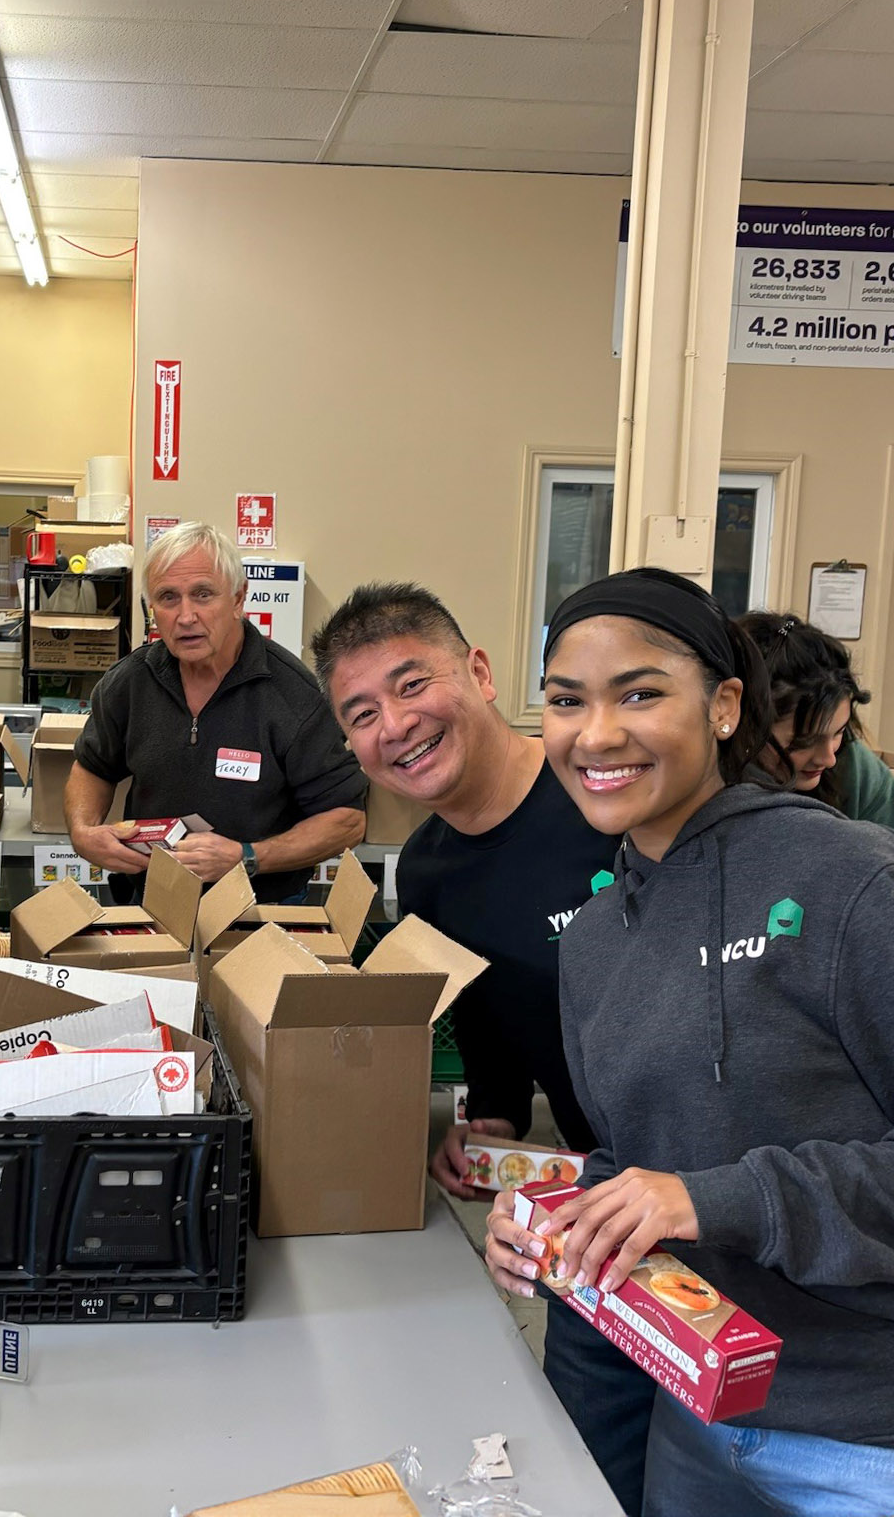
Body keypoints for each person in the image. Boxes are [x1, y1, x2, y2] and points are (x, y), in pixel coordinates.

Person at [487, 567, 894, 1517]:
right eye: (564, 701)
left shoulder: (854, 884)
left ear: (723, 707)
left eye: (639, 693)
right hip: (698, 1412)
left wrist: (721, 1198)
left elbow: (698, 1191)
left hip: (863, 1439)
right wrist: (558, 1218)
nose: (596, 735)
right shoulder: (591, 941)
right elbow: (644, 1164)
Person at [312, 583, 650, 1515]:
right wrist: (491, 1118)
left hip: (718, 1193)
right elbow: (496, 1025)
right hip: (598, 1207)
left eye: (412, 683)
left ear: (482, 672)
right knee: (590, 1473)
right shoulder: (423, 872)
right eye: (363, 714)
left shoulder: (606, 796)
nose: (398, 725)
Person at [67, 521, 366, 901]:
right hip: (150, 899)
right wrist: (83, 831)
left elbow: (347, 820)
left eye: (203, 595)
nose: (186, 616)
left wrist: (248, 856)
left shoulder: (294, 695)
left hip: (260, 912)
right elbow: (93, 766)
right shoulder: (129, 683)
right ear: (152, 609)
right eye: (168, 597)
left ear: (239, 599)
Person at [739, 609, 894, 826]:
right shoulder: (700, 779)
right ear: (745, 724)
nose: (828, 758)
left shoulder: (855, 768)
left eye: (838, 732)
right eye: (806, 741)